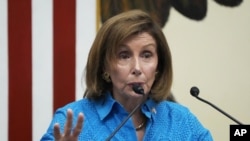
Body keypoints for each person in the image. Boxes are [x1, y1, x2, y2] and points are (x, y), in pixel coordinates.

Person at [41, 10, 213, 141]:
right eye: (124, 55)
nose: (137, 68)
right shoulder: (71, 122)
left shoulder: (181, 121)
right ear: (105, 66)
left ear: (159, 65)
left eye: (146, 55)